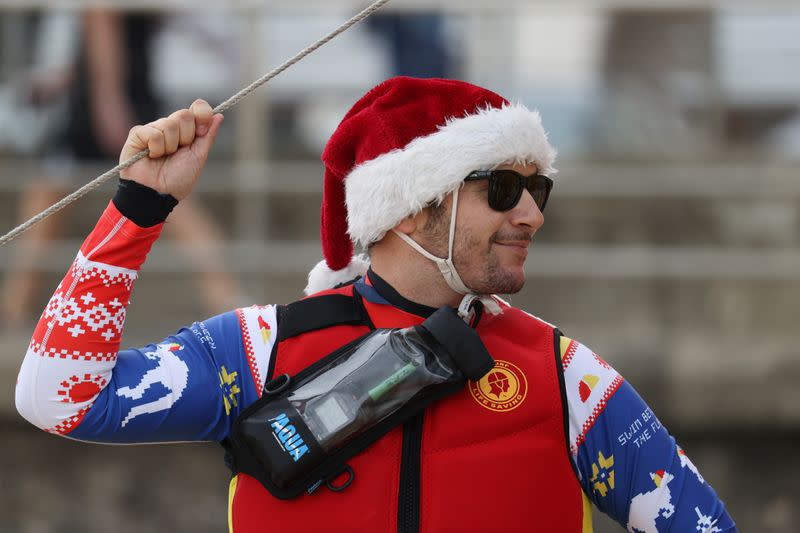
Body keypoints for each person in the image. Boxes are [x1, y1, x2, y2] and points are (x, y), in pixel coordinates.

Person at [15, 77, 736, 532]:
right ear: (412, 207)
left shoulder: (566, 374)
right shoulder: (259, 350)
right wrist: (140, 206)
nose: (532, 216)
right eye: (503, 191)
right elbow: (57, 397)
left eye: (537, 190)